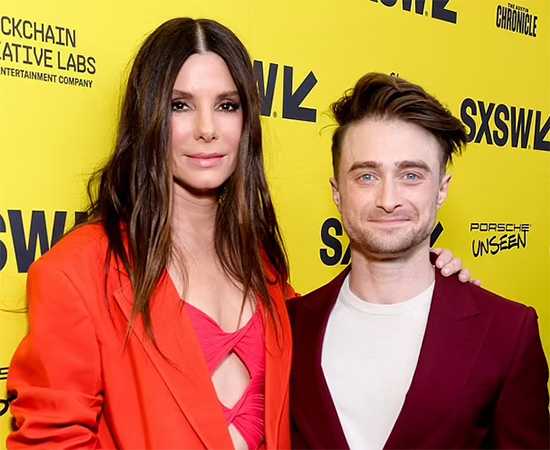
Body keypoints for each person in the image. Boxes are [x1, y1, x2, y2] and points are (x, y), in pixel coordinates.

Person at [6, 19, 469, 450]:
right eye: (180, 105)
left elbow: (346, 351)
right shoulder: (78, 272)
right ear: (148, 117)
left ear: (247, 122)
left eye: (226, 105)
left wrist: (426, 291)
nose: (207, 129)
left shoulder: (265, 271)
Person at [288, 73, 550, 450]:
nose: (388, 198)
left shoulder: (507, 332)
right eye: (366, 175)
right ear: (337, 192)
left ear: (442, 189)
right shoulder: (289, 327)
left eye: (411, 175)